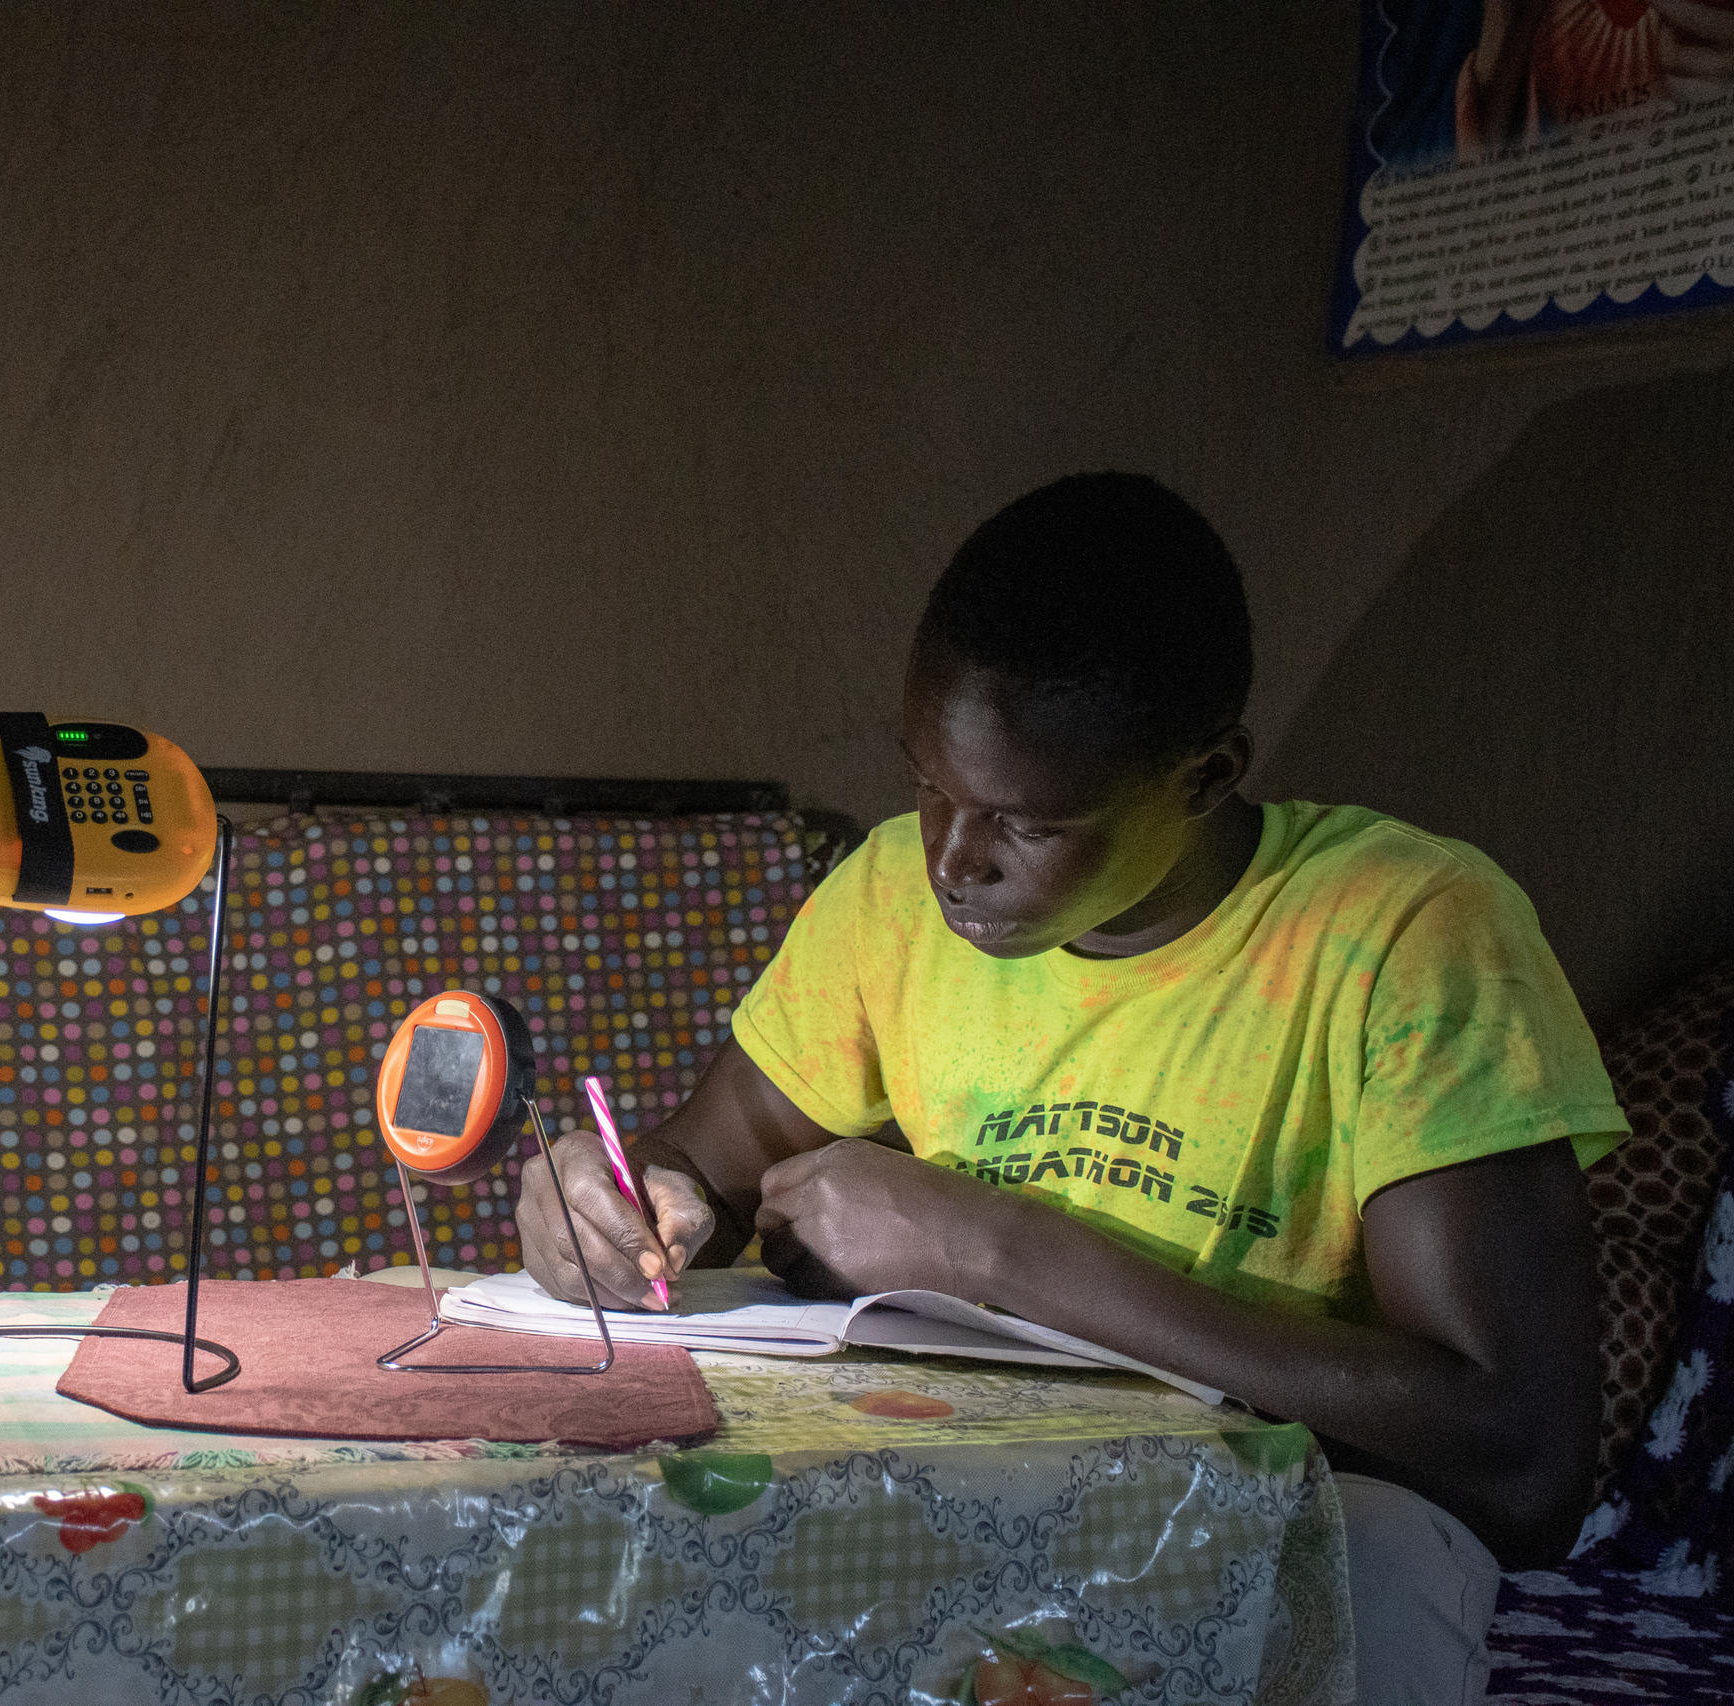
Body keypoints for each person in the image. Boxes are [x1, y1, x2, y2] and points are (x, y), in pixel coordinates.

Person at [521, 474, 1625, 1706]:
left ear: (1206, 775)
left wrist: (993, 1252)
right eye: (928, 785)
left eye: (1028, 825)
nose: (952, 859)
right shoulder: (886, 898)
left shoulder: (1402, 932)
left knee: (1362, 1552)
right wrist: (609, 1204)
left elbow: (1520, 1464)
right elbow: (698, 1170)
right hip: (970, 1506)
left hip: (1264, 1521)